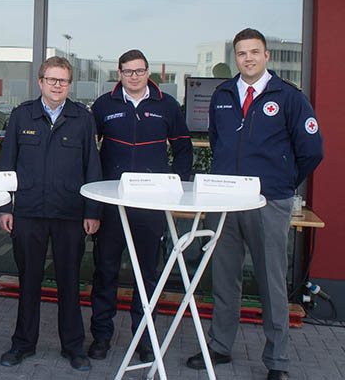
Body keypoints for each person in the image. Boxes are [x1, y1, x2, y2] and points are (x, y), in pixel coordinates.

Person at [185, 28, 323, 380]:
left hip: (268, 202)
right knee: (225, 276)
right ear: (236, 57)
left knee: (271, 281)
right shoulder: (223, 94)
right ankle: (220, 346)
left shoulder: (289, 98)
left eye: (255, 52)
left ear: (266, 56)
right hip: (226, 201)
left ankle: (277, 361)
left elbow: (311, 151)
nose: (248, 58)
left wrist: (282, 184)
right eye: (242, 53)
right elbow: (217, 142)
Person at [0, 56, 102, 371]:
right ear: (40, 81)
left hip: (69, 214)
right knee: (28, 281)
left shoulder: (82, 118)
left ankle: (73, 348)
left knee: (69, 283)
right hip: (28, 212)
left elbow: (92, 167)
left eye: (63, 81)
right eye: (52, 80)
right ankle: (23, 344)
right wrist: (4, 206)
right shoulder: (21, 116)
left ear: (70, 85)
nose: (57, 86)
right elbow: (6, 165)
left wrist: (92, 211)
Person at [87, 49, 193, 362]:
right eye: (128, 71)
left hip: (151, 207)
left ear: (148, 72)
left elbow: (183, 149)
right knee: (105, 272)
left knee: (147, 276)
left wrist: (175, 187)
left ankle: (143, 338)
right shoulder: (104, 105)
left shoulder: (167, 105)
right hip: (111, 205)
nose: (134, 76)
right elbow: (90, 151)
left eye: (139, 70)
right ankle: (101, 337)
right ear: (119, 73)